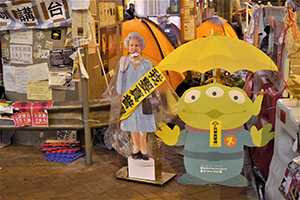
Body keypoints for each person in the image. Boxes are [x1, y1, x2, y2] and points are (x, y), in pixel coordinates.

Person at [116, 32, 156, 161]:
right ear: (128, 46)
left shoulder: (148, 64)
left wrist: (150, 96)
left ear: (141, 46)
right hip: (130, 100)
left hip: (144, 99)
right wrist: (122, 71)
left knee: (144, 124)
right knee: (132, 124)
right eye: (131, 45)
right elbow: (120, 83)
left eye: (137, 45)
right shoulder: (124, 62)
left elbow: (151, 82)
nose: (134, 47)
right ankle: (136, 147)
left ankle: (143, 147)